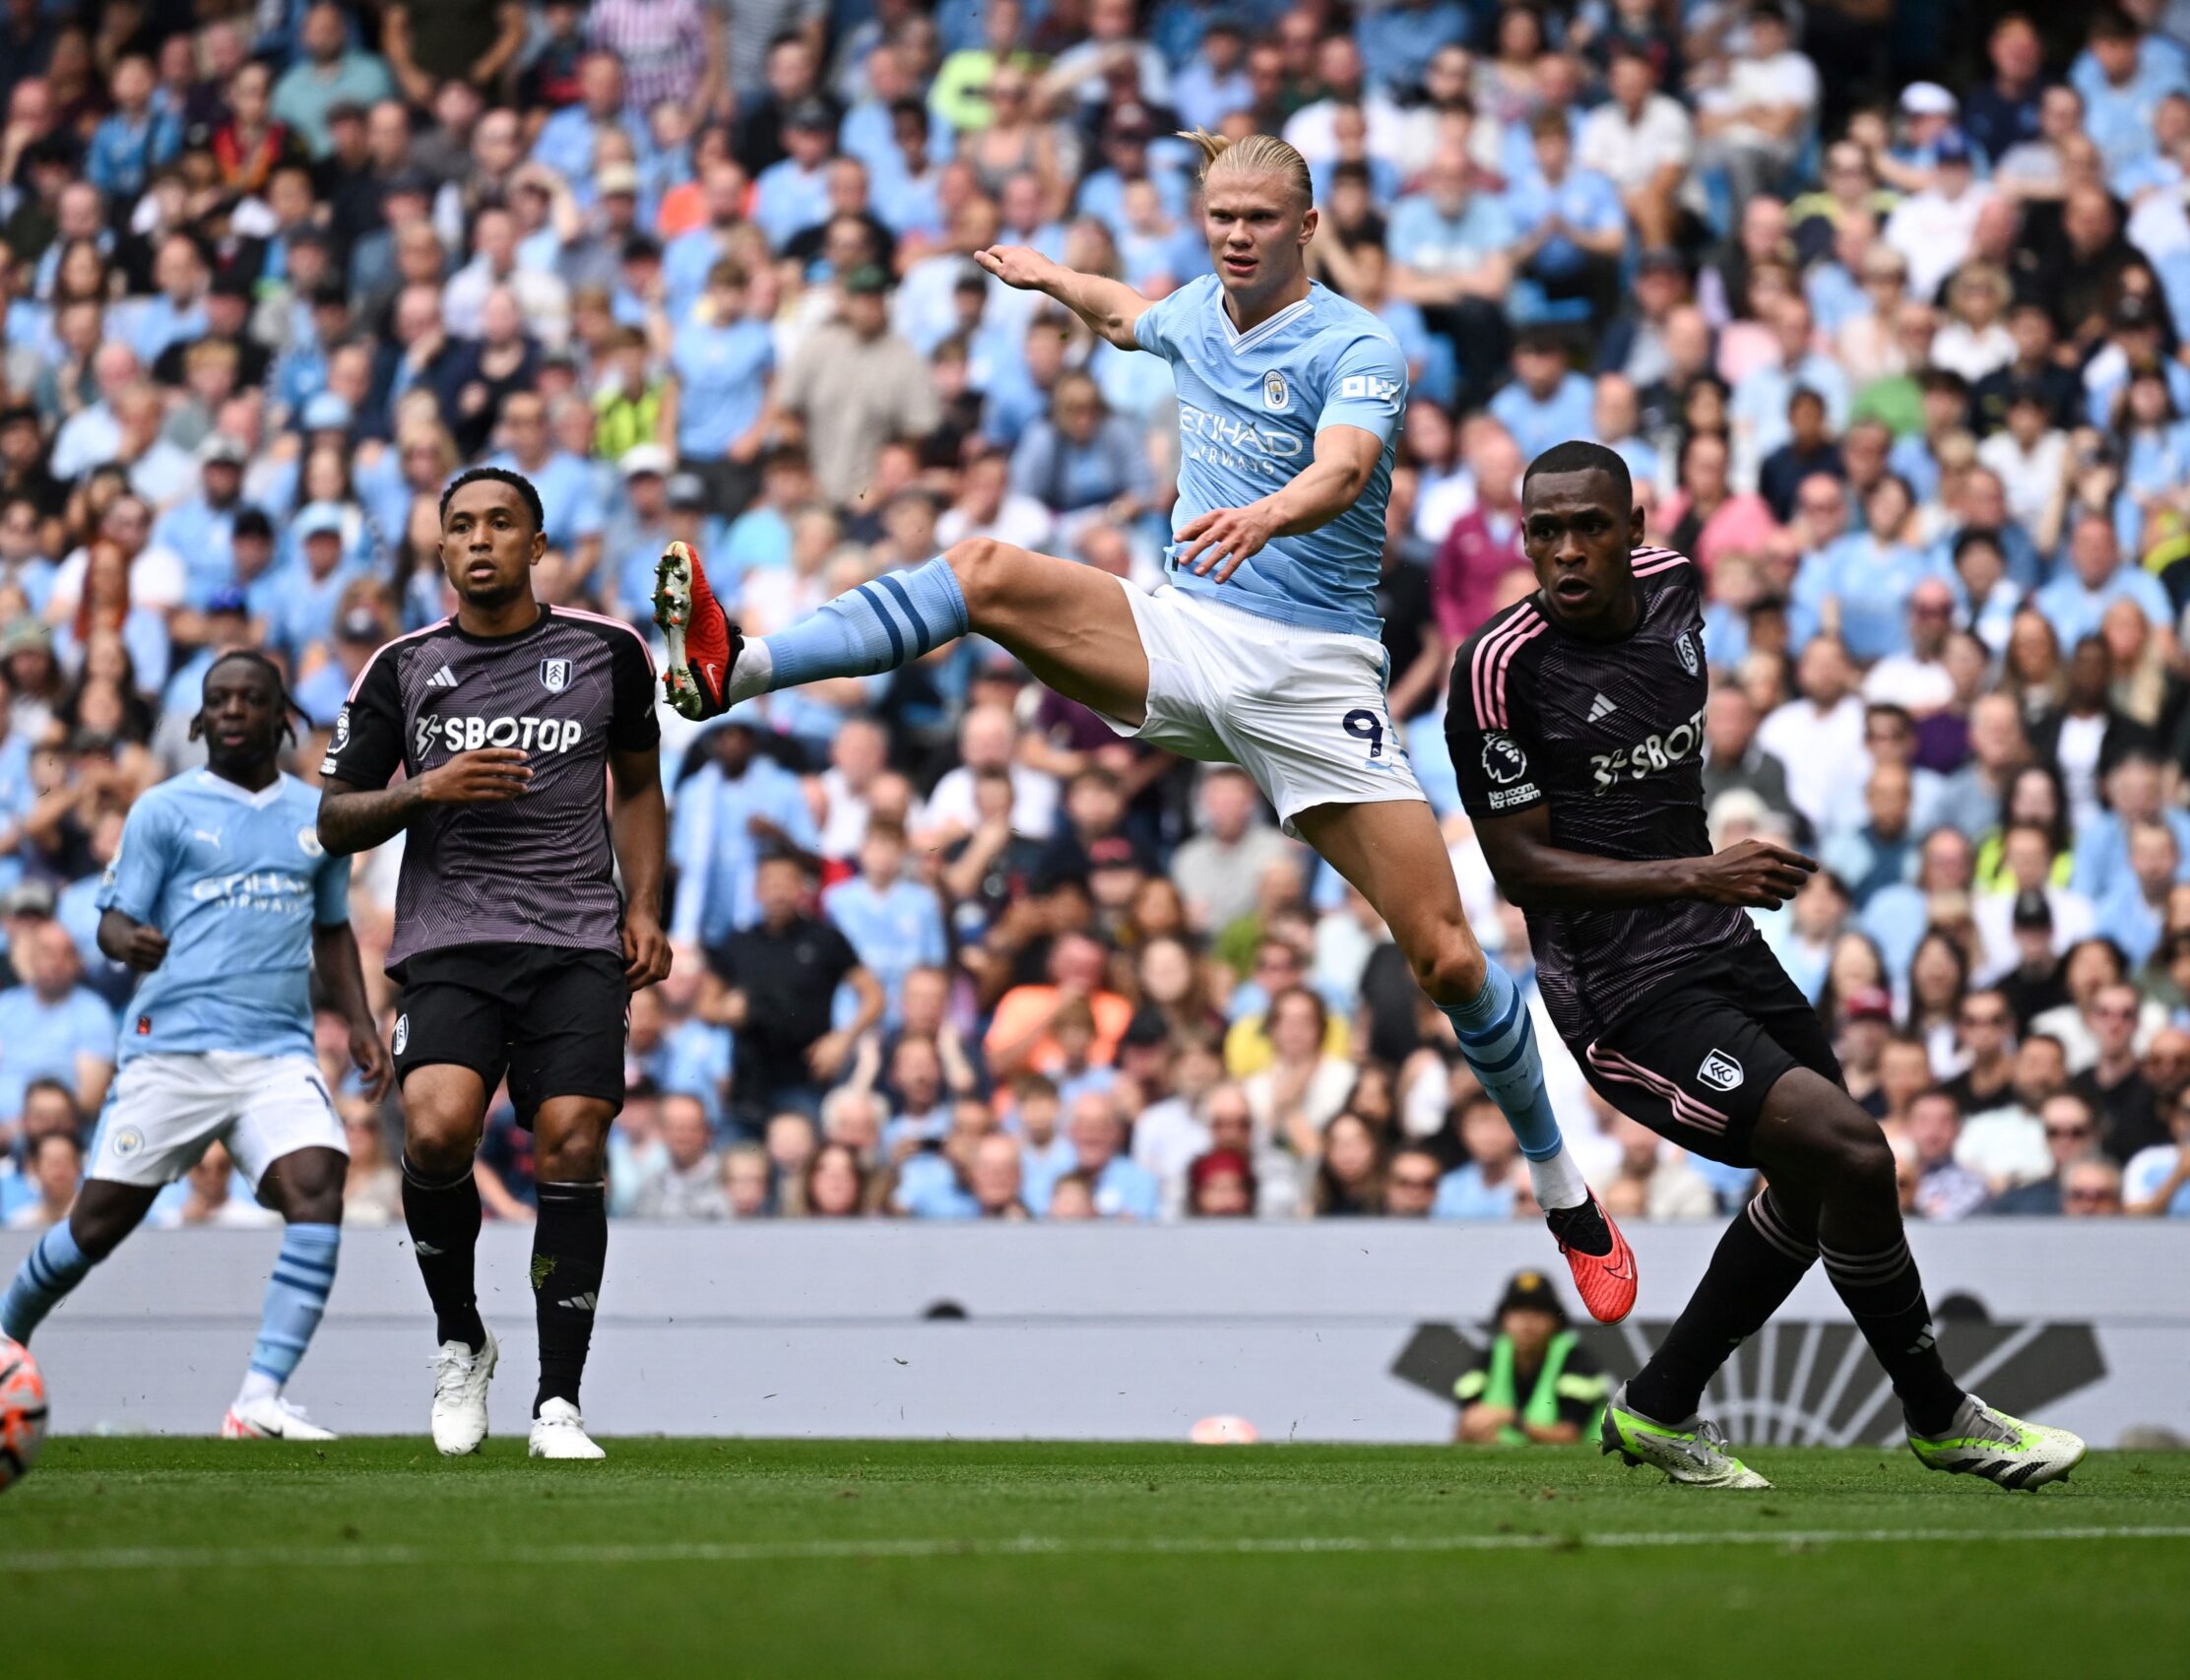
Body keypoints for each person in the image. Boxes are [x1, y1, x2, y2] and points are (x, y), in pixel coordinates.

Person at [650, 126, 1635, 1322]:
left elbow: (1344, 465)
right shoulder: (1196, 311)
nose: (1233, 235)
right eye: (1218, 215)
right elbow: (1131, 317)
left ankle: (1563, 1190)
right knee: (985, 571)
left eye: (1259, 219)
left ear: (1306, 227)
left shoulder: (1357, 343)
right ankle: (734, 664)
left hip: (1313, 676)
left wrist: (1268, 513)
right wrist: (1052, 276)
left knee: (1450, 957)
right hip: (1183, 632)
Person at [1444, 439, 2082, 1491]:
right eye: (1543, 531)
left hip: (1717, 944)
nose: (1566, 552)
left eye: (1588, 526)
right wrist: (1697, 873)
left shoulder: (1675, 592)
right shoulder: (1497, 669)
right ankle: (1938, 1413)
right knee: (1853, 1151)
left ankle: (1656, 1404)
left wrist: (1702, 884)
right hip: (1619, 992)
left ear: (1635, 530)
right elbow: (1518, 867)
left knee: (1817, 1171)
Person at [319, 468, 671, 1460]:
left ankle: (558, 1399)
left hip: (574, 941)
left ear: (537, 544)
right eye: (461, 526)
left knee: (572, 1140)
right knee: (431, 1134)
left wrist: (643, 907)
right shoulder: (402, 666)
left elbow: (639, 788)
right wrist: (426, 787)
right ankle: (460, 1335)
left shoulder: (608, 651)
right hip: (450, 940)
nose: (480, 540)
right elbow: (333, 816)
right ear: (440, 550)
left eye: (500, 523)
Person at [0, 653, 388, 1442]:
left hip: (275, 1051)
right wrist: (123, 939)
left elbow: (333, 927)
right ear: (199, 721)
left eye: (252, 698)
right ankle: (1, 1340)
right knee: (94, 1228)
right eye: (219, 700)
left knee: (318, 1185)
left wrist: (363, 1021)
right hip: (170, 1049)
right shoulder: (162, 811)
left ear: (283, 718)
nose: (234, 709)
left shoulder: (320, 816)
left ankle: (259, 1398)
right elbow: (112, 916)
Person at [1451, 1269, 1609, 1445]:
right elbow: (1464, 1428)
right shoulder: (1490, 1356)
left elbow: (1570, 1436)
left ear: (1557, 1321)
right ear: (1503, 1319)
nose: (1528, 1320)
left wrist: (1512, 1419)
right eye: (1518, 1310)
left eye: (1539, 1311)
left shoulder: (1576, 1360)